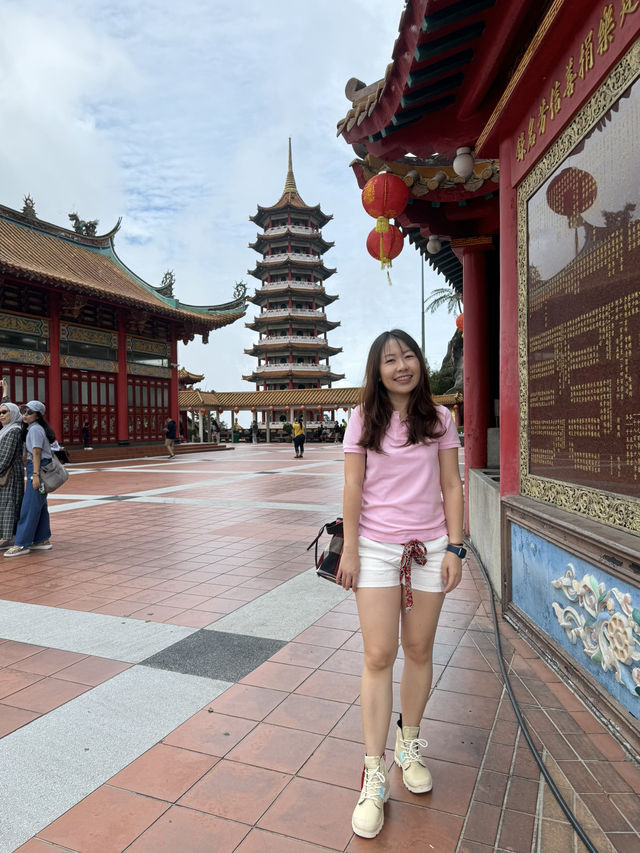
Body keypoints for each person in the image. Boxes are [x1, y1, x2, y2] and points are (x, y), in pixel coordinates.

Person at [339, 329, 464, 839]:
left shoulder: (439, 420)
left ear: (420, 363)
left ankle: (408, 745)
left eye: (408, 356)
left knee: (418, 648)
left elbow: (452, 484)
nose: (401, 366)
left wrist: (456, 546)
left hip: (430, 548)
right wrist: (349, 547)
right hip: (375, 550)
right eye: (390, 360)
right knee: (377, 655)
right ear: (377, 369)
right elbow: (352, 485)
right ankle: (374, 772)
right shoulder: (362, 419)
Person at [4, 401, 57, 557]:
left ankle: (21, 544)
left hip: (38, 469)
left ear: (37, 415)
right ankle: (42, 539)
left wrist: (35, 476)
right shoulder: (34, 428)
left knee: (29, 507)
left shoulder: (34, 430)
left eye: (29, 412)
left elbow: (37, 454)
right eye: (23, 411)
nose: (24, 415)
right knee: (39, 505)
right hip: (38, 467)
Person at [0, 402, 25, 550]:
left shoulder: (14, 431)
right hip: (5, 474)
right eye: (0, 413)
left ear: (13, 414)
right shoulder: (5, 430)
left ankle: (8, 538)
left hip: (10, 475)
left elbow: (5, 458)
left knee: (9, 504)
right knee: (4, 505)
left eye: (4, 412)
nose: (1, 415)